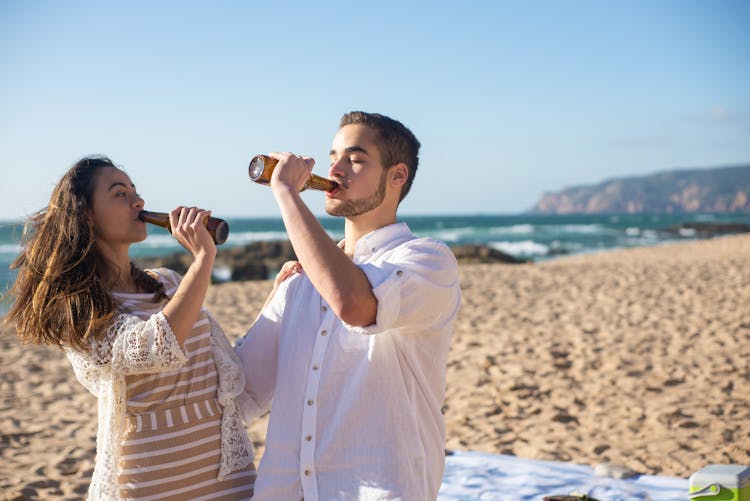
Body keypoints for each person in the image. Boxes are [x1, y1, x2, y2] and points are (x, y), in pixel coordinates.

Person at [3, 156, 265, 500]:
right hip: (155, 484)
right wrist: (203, 260)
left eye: (135, 191)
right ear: (86, 217)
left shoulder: (170, 282)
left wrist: (279, 296)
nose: (138, 202)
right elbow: (157, 348)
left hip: (230, 475)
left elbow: (224, 365)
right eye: (119, 194)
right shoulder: (83, 307)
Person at [236, 111, 462, 500]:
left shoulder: (428, 261)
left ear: (397, 176)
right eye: (332, 158)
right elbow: (240, 391)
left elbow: (356, 307)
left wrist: (288, 194)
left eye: (355, 160)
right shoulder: (299, 281)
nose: (336, 169)